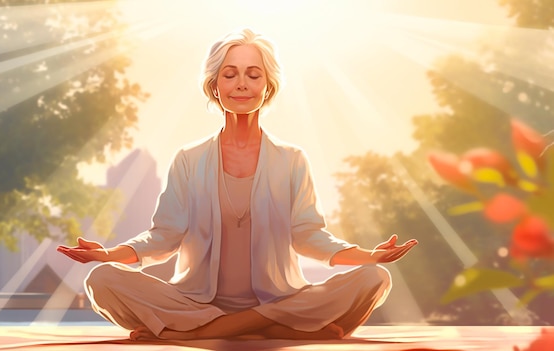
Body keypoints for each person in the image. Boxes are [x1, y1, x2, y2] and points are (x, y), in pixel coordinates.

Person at [57, 28, 418, 341]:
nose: (241, 84)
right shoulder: (189, 159)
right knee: (101, 280)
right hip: (195, 302)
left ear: (268, 86)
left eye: (253, 75)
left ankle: (208, 332)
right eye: (229, 74)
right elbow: (162, 238)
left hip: (280, 299)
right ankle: (269, 328)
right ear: (214, 86)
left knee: (375, 278)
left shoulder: (292, 159)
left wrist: (368, 255)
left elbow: (309, 236)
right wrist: (107, 255)